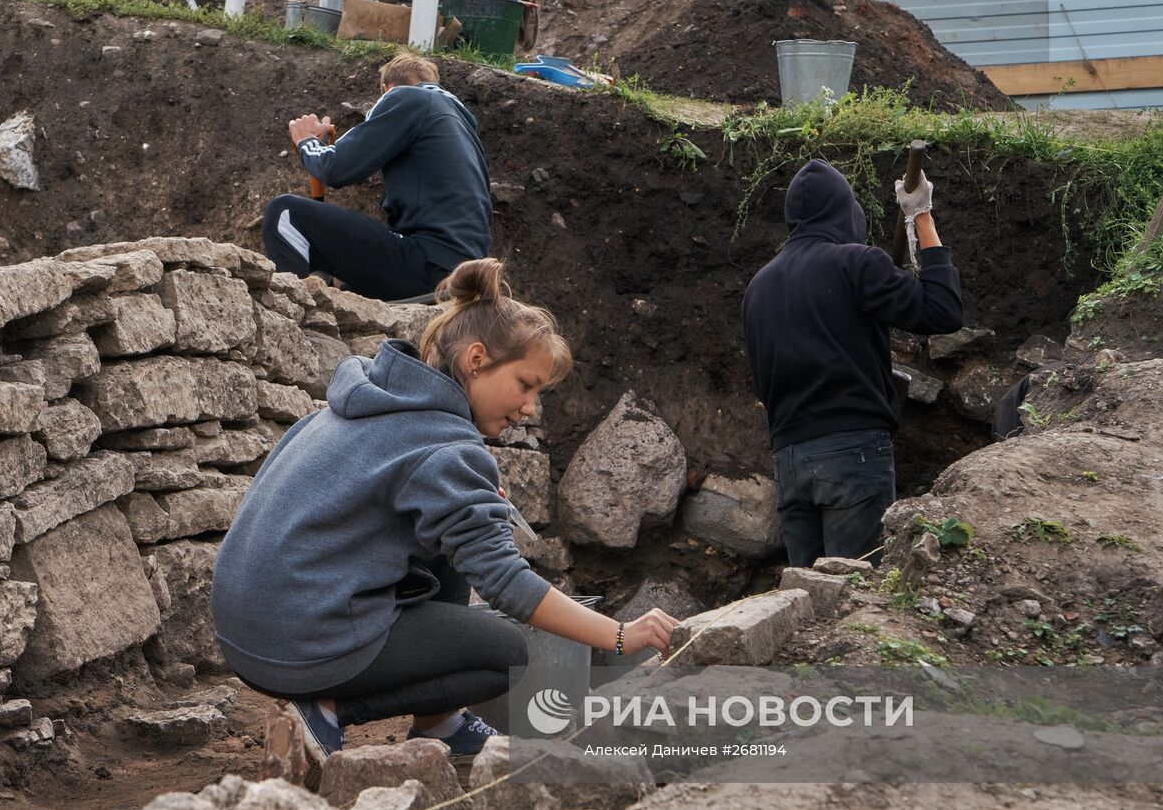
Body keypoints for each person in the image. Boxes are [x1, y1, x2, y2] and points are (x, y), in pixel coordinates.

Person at [211, 258, 678, 771]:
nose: (529, 408)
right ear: (477, 359)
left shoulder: (361, 403)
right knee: (509, 655)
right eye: (526, 384)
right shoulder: (447, 448)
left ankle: (442, 724)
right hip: (301, 643)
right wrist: (617, 634)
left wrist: (480, 509)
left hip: (246, 629)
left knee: (453, 553)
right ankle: (325, 710)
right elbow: (506, 584)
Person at [741, 159, 964, 567]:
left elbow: (762, 382)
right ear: (847, 212)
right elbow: (943, 311)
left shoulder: (758, 288)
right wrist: (921, 217)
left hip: (789, 463)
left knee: (806, 608)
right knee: (853, 605)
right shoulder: (857, 262)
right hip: (852, 455)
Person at [262, 54, 493, 302]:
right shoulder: (460, 123)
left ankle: (286, 324)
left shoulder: (407, 96)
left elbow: (337, 168)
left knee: (285, 212)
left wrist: (306, 141)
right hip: (460, 274)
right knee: (339, 281)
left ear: (385, 89)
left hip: (429, 265)